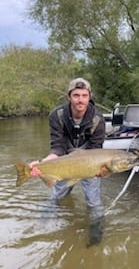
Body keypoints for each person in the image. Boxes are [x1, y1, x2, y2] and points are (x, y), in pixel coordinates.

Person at [29, 77, 106, 246]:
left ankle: (96, 230)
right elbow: (57, 147)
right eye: (76, 95)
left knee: (94, 200)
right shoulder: (56, 115)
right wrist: (42, 163)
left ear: (89, 96)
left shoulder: (98, 119)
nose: (80, 99)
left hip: (89, 160)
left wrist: (99, 170)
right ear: (69, 96)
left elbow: (96, 149)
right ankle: (41, 224)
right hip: (66, 158)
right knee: (57, 193)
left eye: (84, 95)